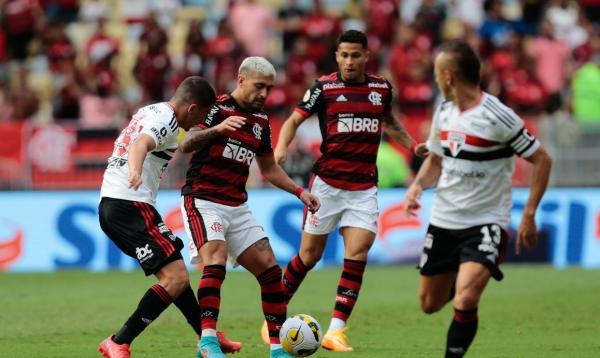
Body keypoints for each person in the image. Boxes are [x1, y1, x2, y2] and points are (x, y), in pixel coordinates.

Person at [271, 29, 427, 352]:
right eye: (344, 55)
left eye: (356, 55)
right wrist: (281, 147)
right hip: (326, 186)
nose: (350, 61)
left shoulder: (381, 89)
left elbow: (390, 123)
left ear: (366, 56)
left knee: (357, 254)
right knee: (308, 256)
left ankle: (336, 331)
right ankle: (273, 316)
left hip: (363, 188)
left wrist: (413, 146)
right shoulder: (324, 88)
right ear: (337, 57)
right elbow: (292, 121)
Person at [404, 41, 552, 357]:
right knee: (429, 304)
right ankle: (461, 270)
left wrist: (528, 214)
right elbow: (436, 160)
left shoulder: (498, 116)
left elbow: (542, 160)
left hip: (486, 221)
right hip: (445, 219)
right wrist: (417, 187)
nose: (434, 80)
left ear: (448, 76)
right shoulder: (443, 112)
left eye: (435, 74)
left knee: (466, 298)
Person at [179, 57, 320, 358]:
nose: (264, 95)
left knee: (270, 269)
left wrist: (299, 191)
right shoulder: (215, 107)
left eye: (269, 89)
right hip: (203, 198)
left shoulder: (262, 122)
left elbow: (269, 169)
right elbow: (186, 142)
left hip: (236, 205)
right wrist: (217, 129)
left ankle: (278, 348)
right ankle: (207, 342)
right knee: (214, 260)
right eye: (259, 87)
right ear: (241, 80)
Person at [97, 76, 241, 358]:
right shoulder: (168, 120)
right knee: (175, 278)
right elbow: (140, 144)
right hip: (128, 203)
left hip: (121, 203)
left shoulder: (151, 110)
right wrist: (135, 171)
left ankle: (207, 335)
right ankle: (118, 341)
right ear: (193, 108)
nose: (200, 122)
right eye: (201, 116)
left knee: (176, 276)